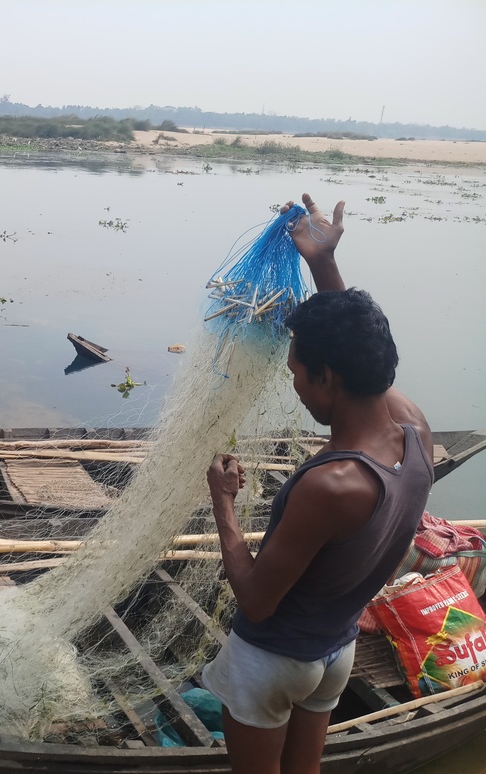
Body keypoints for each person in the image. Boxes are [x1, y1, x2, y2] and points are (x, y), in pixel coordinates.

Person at [202, 193, 433, 774]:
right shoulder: (415, 435)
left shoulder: (333, 486)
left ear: (326, 376)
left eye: (299, 374)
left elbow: (256, 598)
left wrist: (223, 506)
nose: (297, 386)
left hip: (273, 659)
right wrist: (322, 264)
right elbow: (358, 345)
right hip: (336, 651)